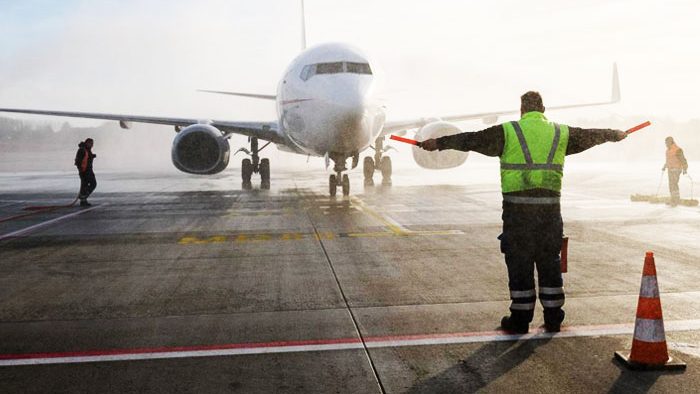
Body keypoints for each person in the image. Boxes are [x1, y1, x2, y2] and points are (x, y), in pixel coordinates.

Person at [420, 91, 627, 334]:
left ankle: (520, 319)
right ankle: (553, 318)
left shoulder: (508, 132)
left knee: (519, 262)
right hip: (549, 211)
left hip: (518, 212)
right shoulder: (560, 133)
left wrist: (438, 143)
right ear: (543, 109)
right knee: (550, 261)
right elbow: (590, 135)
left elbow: (471, 140)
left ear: (522, 110)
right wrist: (614, 135)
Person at [662, 136, 688, 206]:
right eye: (665, 143)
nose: (666, 144)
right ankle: (673, 199)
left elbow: (683, 160)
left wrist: (685, 169)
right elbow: (668, 160)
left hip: (676, 169)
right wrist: (665, 166)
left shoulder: (678, 150)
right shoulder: (668, 151)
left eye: (666, 142)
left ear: (670, 142)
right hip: (670, 170)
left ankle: (676, 200)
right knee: (671, 185)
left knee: (674, 184)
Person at [74, 138, 97, 206]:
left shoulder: (87, 149)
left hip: (88, 170)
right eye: (90, 143)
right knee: (93, 184)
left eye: (92, 144)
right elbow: (78, 161)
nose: (92, 145)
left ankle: (83, 200)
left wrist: (92, 156)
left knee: (85, 185)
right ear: (87, 143)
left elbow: (86, 158)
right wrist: (81, 170)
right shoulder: (82, 150)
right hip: (85, 171)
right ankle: (83, 196)